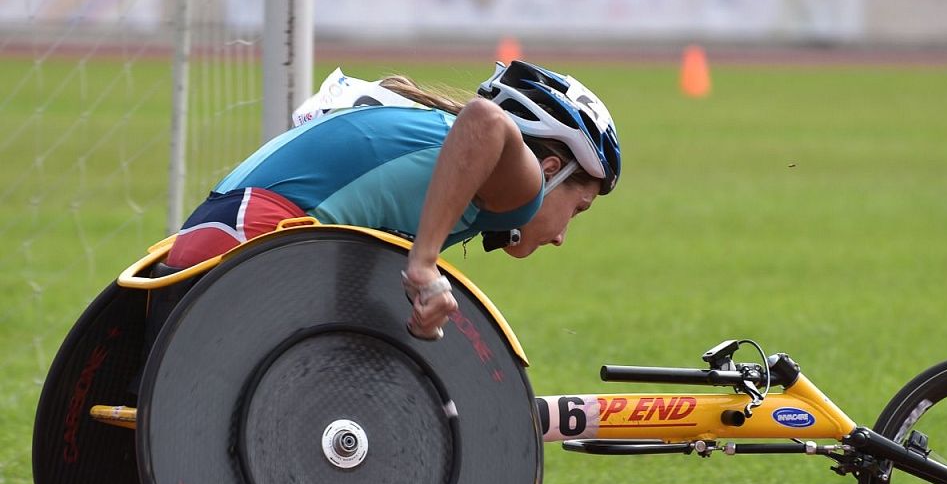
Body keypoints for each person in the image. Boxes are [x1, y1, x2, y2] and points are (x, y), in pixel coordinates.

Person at [165, 60, 621, 339]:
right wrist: (423, 266)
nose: (562, 237)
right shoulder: (524, 189)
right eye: (578, 209)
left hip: (201, 244)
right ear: (550, 172)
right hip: (257, 248)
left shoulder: (434, 147)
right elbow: (485, 119)